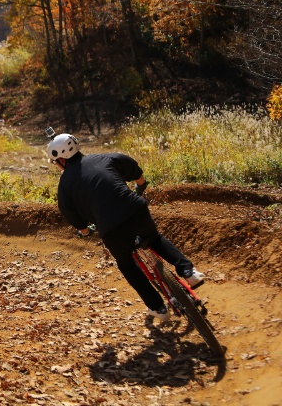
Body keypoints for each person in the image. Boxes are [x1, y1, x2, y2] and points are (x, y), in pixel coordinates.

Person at [47, 132, 205, 323]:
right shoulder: (102, 157)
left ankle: (158, 308)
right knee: (154, 238)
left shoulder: (64, 184)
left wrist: (84, 230)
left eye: (56, 162)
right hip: (134, 208)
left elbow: (68, 211)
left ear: (62, 160)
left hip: (110, 227)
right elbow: (129, 164)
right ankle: (188, 272)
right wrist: (140, 182)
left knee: (127, 264)